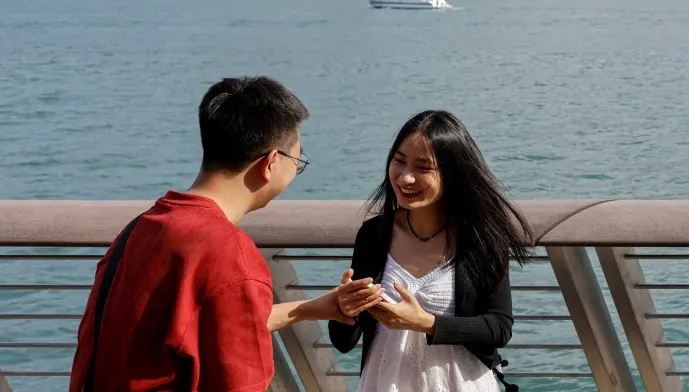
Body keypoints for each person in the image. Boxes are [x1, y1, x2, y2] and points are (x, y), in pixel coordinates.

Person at [69, 76, 366, 390]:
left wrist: (313, 307)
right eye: (297, 159)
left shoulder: (142, 228)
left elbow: (195, 324)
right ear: (271, 163)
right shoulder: (229, 254)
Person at [329, 110, 534, 392]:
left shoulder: (480, 238)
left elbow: (499, 327)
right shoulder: (373, 235)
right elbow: (343, 341)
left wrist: (427, 323)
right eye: (399, 162)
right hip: (383, 383)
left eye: (423, 168)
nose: (405, 178)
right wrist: (345, 310)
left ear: (452, 174)